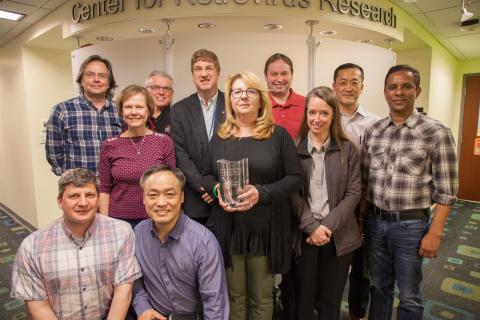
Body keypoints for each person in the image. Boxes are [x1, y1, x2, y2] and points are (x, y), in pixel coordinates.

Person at [203, 71, 303, 320]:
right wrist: (217, 191)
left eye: (250, 91)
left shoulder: (276, 135)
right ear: (230, 100)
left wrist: (262, 192)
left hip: (265, 230)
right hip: (230, 228)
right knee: (234, 297)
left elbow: (295, 177)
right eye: (237, 91)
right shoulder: (220, 136)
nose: (243, 97)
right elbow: (206, 176)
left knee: (261, 298)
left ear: (261, 98)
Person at [362, 65, 458, 320]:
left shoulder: (436, 132)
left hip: (411, 226)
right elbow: (364, 182)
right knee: (378, 288)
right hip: (375, 222)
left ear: (418, 90)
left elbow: (447, 191)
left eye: (406, 86)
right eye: (392, 87)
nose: (399, 92)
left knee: (409, 295)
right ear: (385, 92)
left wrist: (435, 234)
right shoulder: (373, 131)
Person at [10, 168, 142, 320]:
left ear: (98, 199)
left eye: (90, 195)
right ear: (60, 201)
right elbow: (38, 306)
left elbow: (123, 289)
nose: (83, 203)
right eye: (74, 196)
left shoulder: (121, 232)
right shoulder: (32, 246)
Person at [290, 86, 361, 319]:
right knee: (304, 299)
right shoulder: (294, 149)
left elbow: (353, 193)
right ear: (306, 114)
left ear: (333, 116)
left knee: (331, 301)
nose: (316, 119)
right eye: (312, 113)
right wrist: (312, 226)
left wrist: (326, 226)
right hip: (306, 234)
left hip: (338, 234)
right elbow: (292, 193)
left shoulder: (348, 149)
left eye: (324, 113)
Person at [132, 164, 229, 320]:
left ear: (181, 197)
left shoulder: (203, 242)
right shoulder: (138, 235)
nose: (161, 202)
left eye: (170, 194)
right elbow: (135, 285)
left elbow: (215, 303)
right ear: (144, 198)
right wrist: (143, 308)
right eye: (153, 195)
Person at [332, 63, 380, 320]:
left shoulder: (375, 124)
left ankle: (356, 313)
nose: (348, 87)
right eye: (343, 82)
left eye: (354, 82)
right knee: (330, 267)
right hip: (329, 207)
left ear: (362, 87)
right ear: (334, 86)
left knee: (361, 269)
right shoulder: (325, 119)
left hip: (362, 206)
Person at [99, 85, 175, 229]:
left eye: (139, 107)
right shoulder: (109, 145)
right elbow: (104, 189)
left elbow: (172, 185)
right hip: (118, 222)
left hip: (156, 219)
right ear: (121, 112)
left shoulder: (164, 141)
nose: (134, 112)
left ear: (148, 111)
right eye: (128, 107)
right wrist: (104, 224)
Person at [171, 49, 226, 225]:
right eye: (198, 69)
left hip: (228, 196)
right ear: (193, 74)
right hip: (195, 199)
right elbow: (179, 153)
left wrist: (219, 187)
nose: (204, 74)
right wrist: (204, 186)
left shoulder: (233, 105)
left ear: (218, 72)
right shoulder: (179, 110)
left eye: (209, 68)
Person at [46, 55, 123, 175]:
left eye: (102, 76)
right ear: (81, 80)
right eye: (90, 75)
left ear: (109, 83)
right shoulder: (62, 110)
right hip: (79, 187)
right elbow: (54, 153)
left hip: (113, 187)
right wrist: (69, 178)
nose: (96, 79)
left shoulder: (120, 110)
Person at [264, 53, 305, 139]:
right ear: (265, 77)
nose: (280, 79)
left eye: (284, 74)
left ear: (292, 76)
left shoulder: (306, 103)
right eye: (274, 74)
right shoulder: (257, 104)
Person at [145, 70, 174, 134]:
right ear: (146, 91)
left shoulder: (179, 117)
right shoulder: (137, 115)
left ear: (172, 93)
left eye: (166, 88)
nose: (161, 92)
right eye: (155, 88)